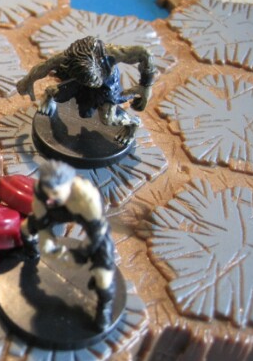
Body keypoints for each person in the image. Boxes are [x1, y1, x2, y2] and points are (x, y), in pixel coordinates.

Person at [21, 160, 116, 330]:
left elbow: (96, 234)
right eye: (48, 193)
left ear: (68, 185)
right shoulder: (43, 191)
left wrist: (78, 256)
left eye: (55, 192)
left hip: (93, 226)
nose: (50, 197)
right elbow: (42, 221)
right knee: (25, 228)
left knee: (104, 277)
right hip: (55, 214)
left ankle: (104, 306)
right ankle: (30, 251)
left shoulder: (87, 197)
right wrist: (46, 242)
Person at [17, 36, 157, 145]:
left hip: (107, 82)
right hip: (78, 79)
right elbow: (43, 67)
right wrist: (28, 81)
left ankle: (133, 124)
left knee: (108, 119)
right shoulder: (65, 59)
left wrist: (146, 85)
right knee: (60, 92)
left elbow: (145, 53)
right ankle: (50, 95)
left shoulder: (112, 53)